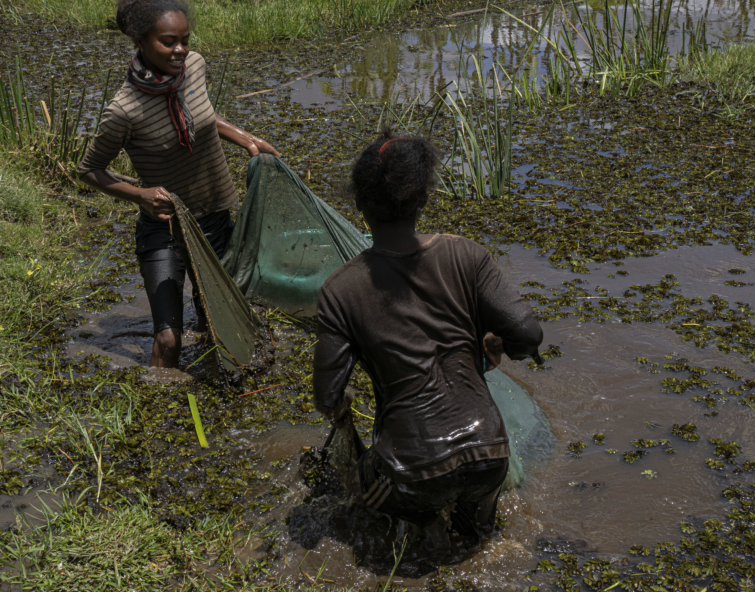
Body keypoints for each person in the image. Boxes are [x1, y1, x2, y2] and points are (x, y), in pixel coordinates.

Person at [312, 132, 544, 545]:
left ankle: (422, 532)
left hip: (413, 468)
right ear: (422, 199)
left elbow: (327, 397)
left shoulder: (340, 289)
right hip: (490, 453)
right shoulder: (467, 255)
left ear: (360, 204)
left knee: (360, 496)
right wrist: (495, 347)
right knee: (478, 540)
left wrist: (342, 407)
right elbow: (527, 334)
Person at [78, 0, 279, 368]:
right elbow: (89, 170)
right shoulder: (123, 110)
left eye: (185, 40)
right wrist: (140, 194)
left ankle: (215, 389)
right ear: (141, 41)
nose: (181, 50)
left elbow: (201, 114)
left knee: (217, 322)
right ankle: (158, 398)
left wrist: (247, 138)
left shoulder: (195, 67)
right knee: (169, 340)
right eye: (169, 42)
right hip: (164, 228)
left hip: (214, 219)